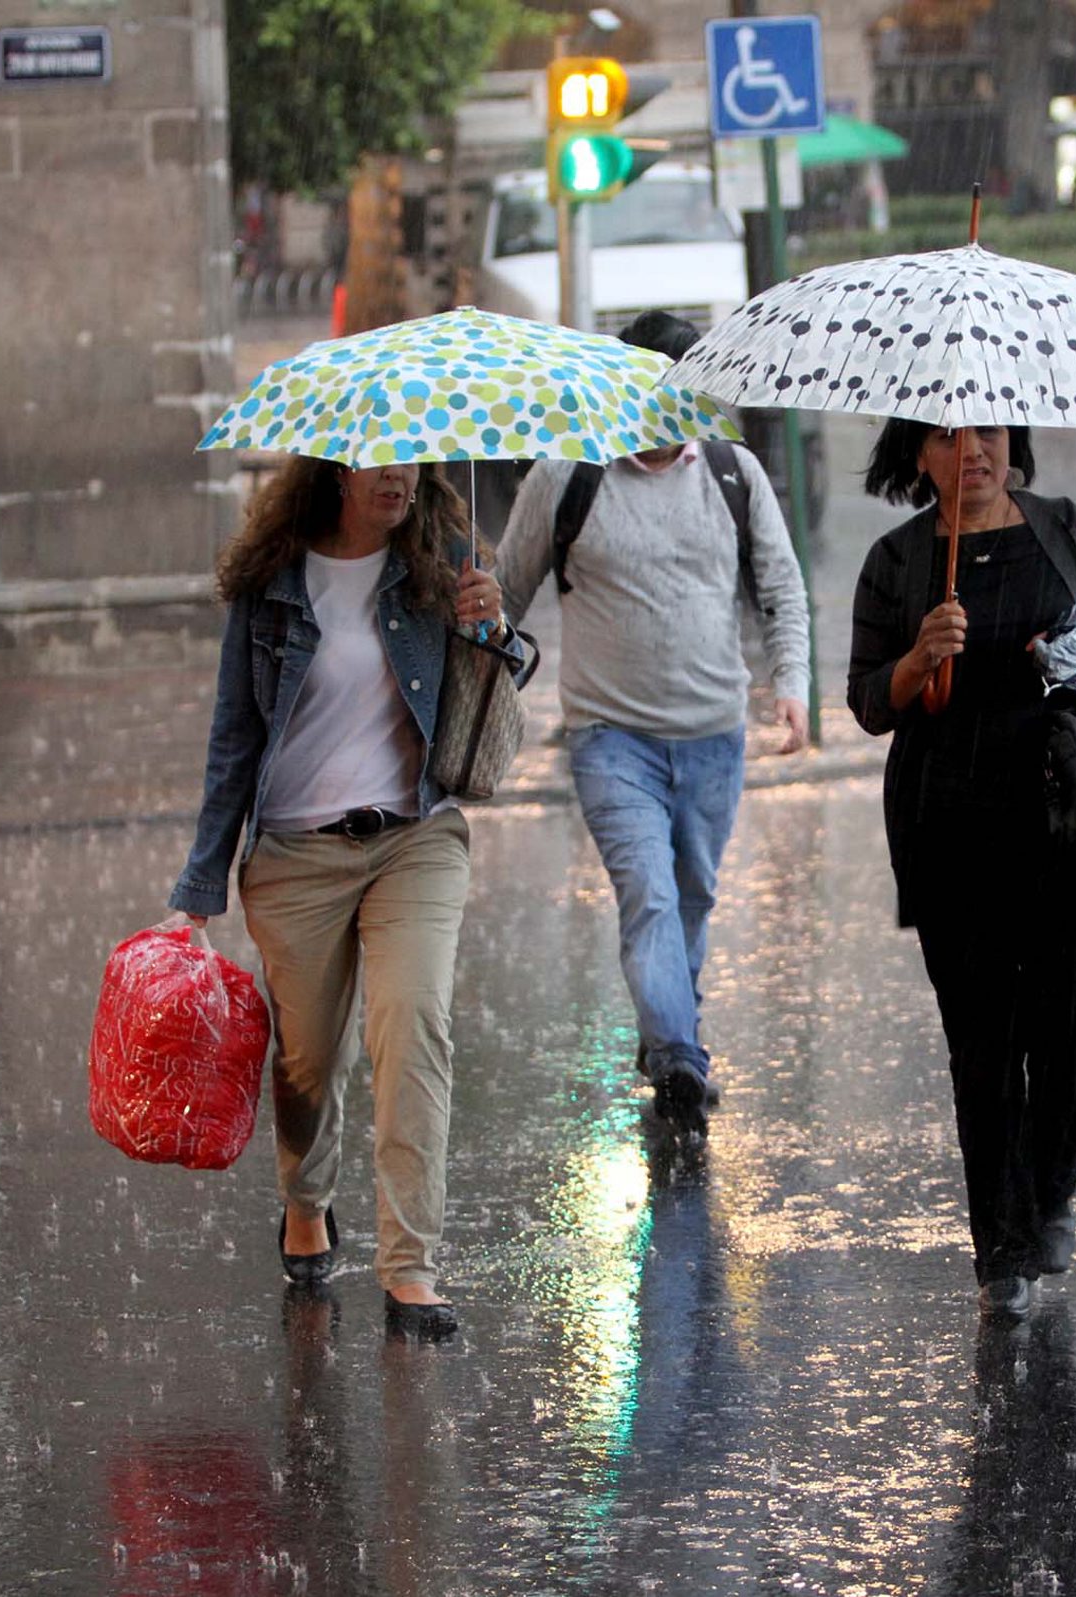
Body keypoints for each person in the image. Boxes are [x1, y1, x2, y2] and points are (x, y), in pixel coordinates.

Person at [165, 455, 514, 1340]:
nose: (397, 479)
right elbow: (232, 737)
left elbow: (491, 698)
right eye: (376, 466)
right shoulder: (274, 579)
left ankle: (411, 1269)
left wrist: (491, 629)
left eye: (410, 461)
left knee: (412, 1022)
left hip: (415, 838)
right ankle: (306, 1197)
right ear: (334, 471)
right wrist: (199, 887)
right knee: (308, 1061)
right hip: (296, 854)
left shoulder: (442, 552)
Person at [846, 419, 1076, 1321]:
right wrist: (917, 659)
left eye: (990, 430)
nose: (973, 449)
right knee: (983, 1045)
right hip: (950, 829)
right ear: (917, 456)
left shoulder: (1066, 529)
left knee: (1071, 1034)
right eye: (947, 436)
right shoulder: (898, 562)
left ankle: (1051, 1193)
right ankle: (1001, 1250)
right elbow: (866, 700)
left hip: (1068, 818)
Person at [492, 310, 812, 1133]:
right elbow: (508, 588)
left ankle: (669, 1030)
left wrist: (793, 685)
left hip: (714, 732)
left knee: (694, 895)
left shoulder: (733, 473)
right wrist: (475, 634)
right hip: (610, 738)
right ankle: (678, 1055)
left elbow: (780, 583)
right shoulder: (569, 475)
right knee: (650, 898)